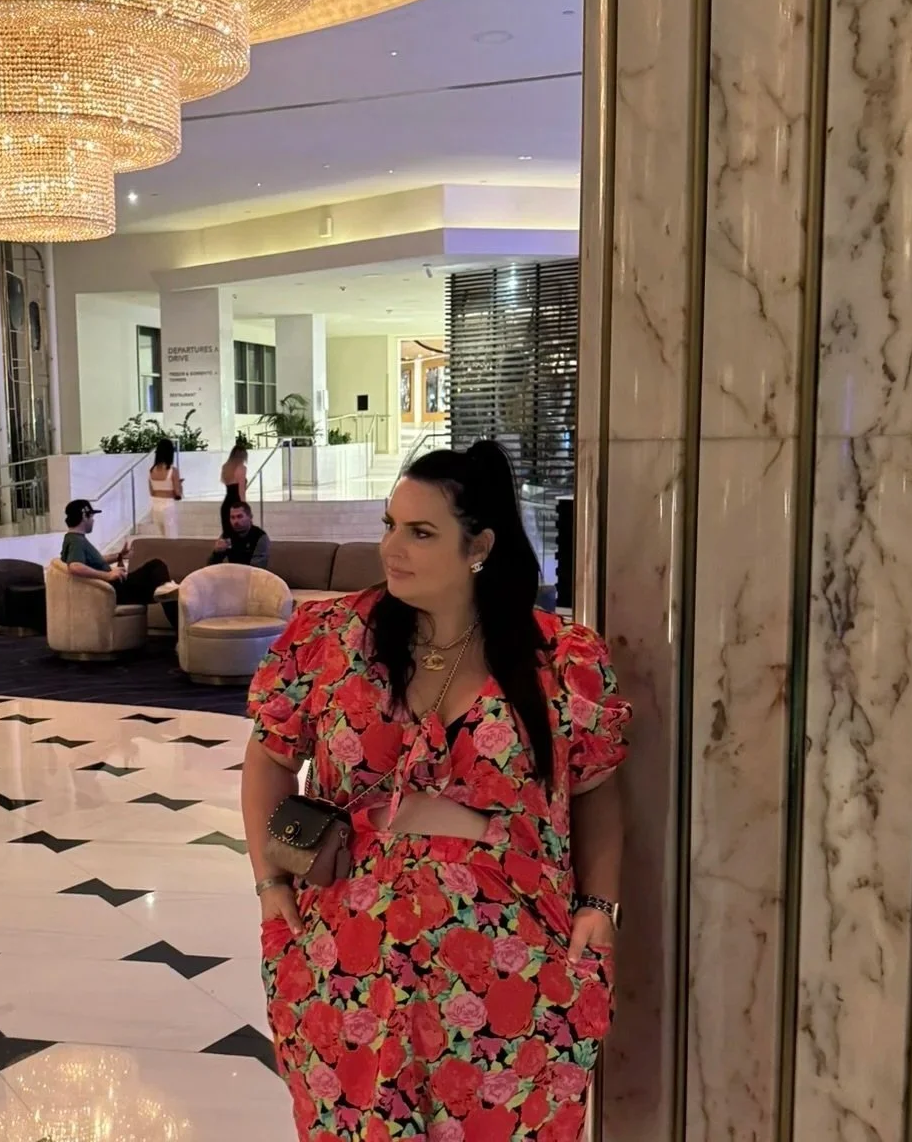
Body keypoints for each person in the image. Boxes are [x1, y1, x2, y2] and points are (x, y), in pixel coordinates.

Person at [240, 441, 629, 1141]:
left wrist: (599, 905)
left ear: (478, 544)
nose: (393, 548)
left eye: (421, 532)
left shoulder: (560, 659)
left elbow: (597, 789)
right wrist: (271, 882)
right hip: (348, 962)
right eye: (390, 524)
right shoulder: (330, 639)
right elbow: (268, 758)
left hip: (514, 969)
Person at [59, 498, 170, 604]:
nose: (93, 520)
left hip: (116, 587)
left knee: (165, 588)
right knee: (156, 567)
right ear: (84, 516)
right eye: (92, 517)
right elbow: (75, 566)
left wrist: (119, 556)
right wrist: (108, 575)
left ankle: (167, 594)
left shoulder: (74, 538)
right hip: (115, 590)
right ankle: (176, 615)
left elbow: (95, 561)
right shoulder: (76, 541)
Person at [209, 500, 270, 570]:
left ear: (250, 517)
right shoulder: (228, 535)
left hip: (252, 577)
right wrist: (216, 553)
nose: (236, 521)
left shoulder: (260, 537)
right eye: (232, 517)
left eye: (239, 516)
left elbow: (256, 569)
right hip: (232, 575)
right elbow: (211, 567)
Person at [147, 438, 183, 537]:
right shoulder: (173, 471)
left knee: (161, 538)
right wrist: (180, 484)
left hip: (155, 506)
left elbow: (152, 492)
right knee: (171, 538)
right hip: (168, 507)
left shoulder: (152, 470)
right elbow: (178, 493)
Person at [219, 441, 249, 537]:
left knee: (228, 532)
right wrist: (244, 505)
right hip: (236, 502)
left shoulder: (225, 467)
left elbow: (224, 482)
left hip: (227, 503)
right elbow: (241, 491)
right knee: (239, 532)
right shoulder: (241, 468)